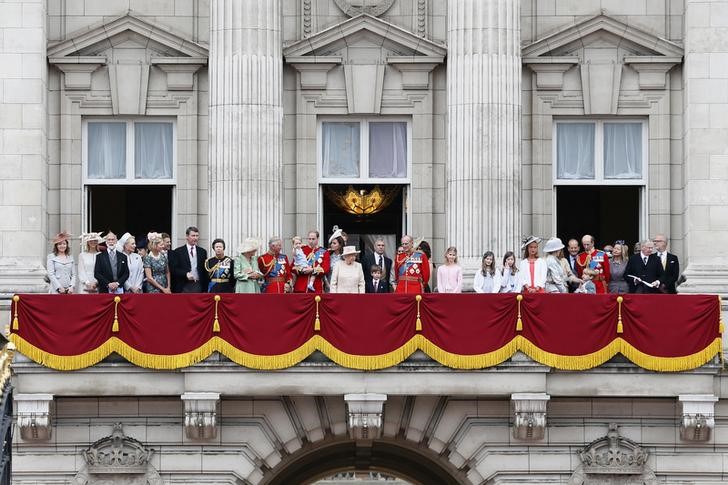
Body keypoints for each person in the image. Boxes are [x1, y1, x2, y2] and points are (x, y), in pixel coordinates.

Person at [169, 226, 208, 293]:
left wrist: (205, 287)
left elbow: (204, 270)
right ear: (187, 236)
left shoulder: (202, 251)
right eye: (193, 236)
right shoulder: (178, 251)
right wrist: (185, 273)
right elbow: (174, 269)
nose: (195, 238)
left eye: (197, 236)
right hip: (183, 284)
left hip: (198, 284)